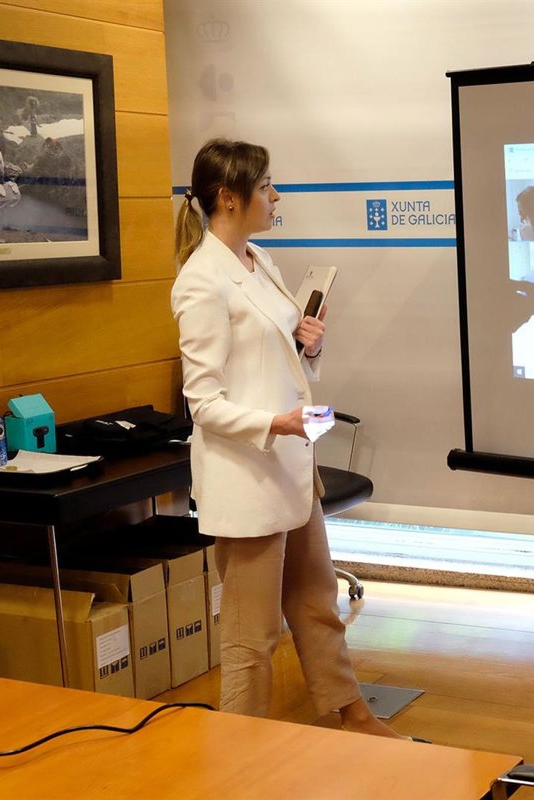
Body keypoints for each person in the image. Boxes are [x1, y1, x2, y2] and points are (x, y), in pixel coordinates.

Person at [170, 139, 406, 739]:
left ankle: (352, 714)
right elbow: (203, 403)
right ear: (229, 197)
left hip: (294, 468)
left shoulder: (261, 260)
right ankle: (242, 752)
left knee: (317, 601)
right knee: (251, 635)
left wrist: (309, 343)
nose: (276, 196)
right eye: (266, 186)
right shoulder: (201, 281)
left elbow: (275, 360)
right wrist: (276, 423)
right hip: (248, 477)